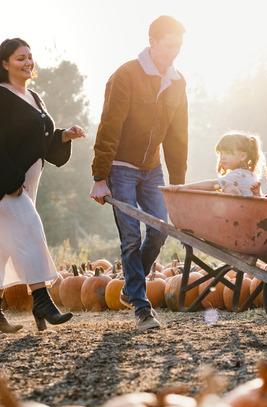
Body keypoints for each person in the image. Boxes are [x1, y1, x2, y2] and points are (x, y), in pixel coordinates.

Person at [0, 38, 86, 335]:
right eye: (20, 58)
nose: (28, 62)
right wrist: (10, 181)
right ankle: (42, 300)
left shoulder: (34, 97)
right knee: (32, 229)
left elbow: (40, 143)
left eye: (30, 57)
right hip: (0, 183)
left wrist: (63, 137)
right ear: (4, 63)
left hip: (25, 185)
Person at [89, 16, 188, 330]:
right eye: (169, 45)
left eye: (179, 46)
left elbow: (177, 135)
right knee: (131, 237)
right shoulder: (127, 75)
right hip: (120, 169)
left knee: (159, 230)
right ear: (153, 41)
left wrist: (178, 185)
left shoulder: (177, 81)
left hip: (152, 170)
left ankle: (131, 287)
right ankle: (142, 309)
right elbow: (109, 126)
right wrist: (99, 177)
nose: (174, 52)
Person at [174, 132, 264, 196]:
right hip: (253, 210)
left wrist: (185, 187)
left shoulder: (238, 174)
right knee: (225, 188)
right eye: (221, 153)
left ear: (243, 156)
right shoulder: (249, 173)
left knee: (228, 188)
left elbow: (213, 184)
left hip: (248, 213)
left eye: (228, 153)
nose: (222, 157)